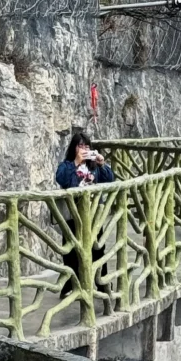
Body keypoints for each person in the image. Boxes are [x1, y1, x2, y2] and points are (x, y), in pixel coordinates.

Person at [54, 132, 114, 308]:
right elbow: (64, 180)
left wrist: (102, 164)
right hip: (73, 216)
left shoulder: (94, 166)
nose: (84, 149)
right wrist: (76, 163)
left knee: (98, 250)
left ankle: (102, 285)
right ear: (74, 148)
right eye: (81, 146)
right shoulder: (66, 166)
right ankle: (71, 286)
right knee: (71, 253)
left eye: (87, 146)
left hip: (93, 215)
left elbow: (110, 180)